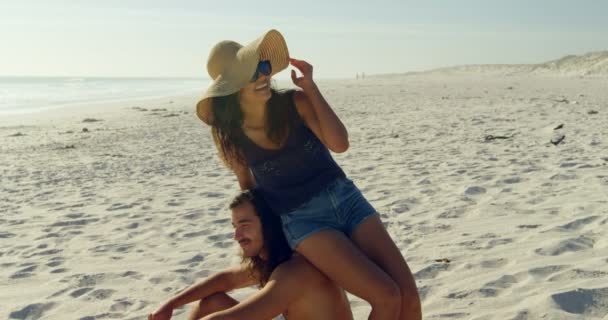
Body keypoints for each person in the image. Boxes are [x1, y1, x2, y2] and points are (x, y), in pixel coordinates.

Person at [196, 29, 421, 320]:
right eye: (253, 73)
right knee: (387, 296)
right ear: (232, 88)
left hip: (347, 198)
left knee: (410, 299)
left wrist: (311, 88)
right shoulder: (235, 139)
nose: (264, 76)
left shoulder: (294, 103)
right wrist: (267, 240)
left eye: (264, 67)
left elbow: (340, 144)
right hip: (304, 221)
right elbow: (250, 191)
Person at [148, 190, 353, 320]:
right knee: (212, 302)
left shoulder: (295, 271)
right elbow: (225, 279)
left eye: (245, 225)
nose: (237, 236)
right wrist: (170, 305)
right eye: (235, 226)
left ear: (270, 225)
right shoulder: (276, 258)